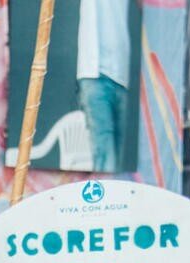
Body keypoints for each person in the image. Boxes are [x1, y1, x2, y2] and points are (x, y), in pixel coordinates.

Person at [77, 0, 132, 172]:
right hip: (94, 74)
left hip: (122, 74)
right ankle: (105, 197)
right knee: (105, 154)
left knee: (120, 157)